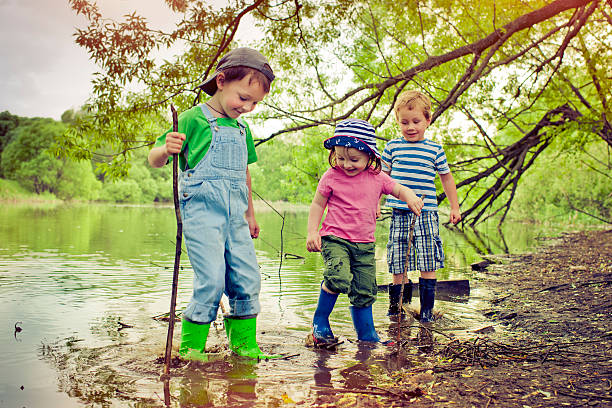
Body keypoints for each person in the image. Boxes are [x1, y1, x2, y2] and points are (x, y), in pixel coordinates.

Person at [148, 47, 278, 361]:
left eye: (255, 103)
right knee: (212, 279)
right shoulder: (193, 119)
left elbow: (243, 172)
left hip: (236, 216)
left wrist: (250, 214)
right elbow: (154, 160)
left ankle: (244, 346)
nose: (247, 107)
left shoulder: (242, 128)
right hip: (202, 215)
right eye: (243, 98)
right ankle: (191, 348)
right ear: (221, 81)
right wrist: (166, 148)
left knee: (248, 278)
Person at [306, 118, 424, 346]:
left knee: (364, 289)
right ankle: (320, 322)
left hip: (365, 244)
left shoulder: (377, 177)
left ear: (370, 156)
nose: (346, 164)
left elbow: (397, 188)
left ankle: (367, 336)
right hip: (335, 239)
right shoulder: (331, 176)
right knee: (338, 277)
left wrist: (410, 197)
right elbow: (317, 204)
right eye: (340, 158)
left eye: (354, 159)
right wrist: (313, 232)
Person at [382, 90, 461, 322]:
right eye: (404, 122)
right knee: (398, 259)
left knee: (427, 258)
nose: (410, 127)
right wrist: (375, 204)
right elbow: (381, 178)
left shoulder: (434, 150)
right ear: (397, 122)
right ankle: (398, 309)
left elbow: (446, 178)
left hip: (426, 214)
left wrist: (455, 207)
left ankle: (426, 311)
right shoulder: (392, 148)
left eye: (416, 121)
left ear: (428, 120)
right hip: (399, 212)